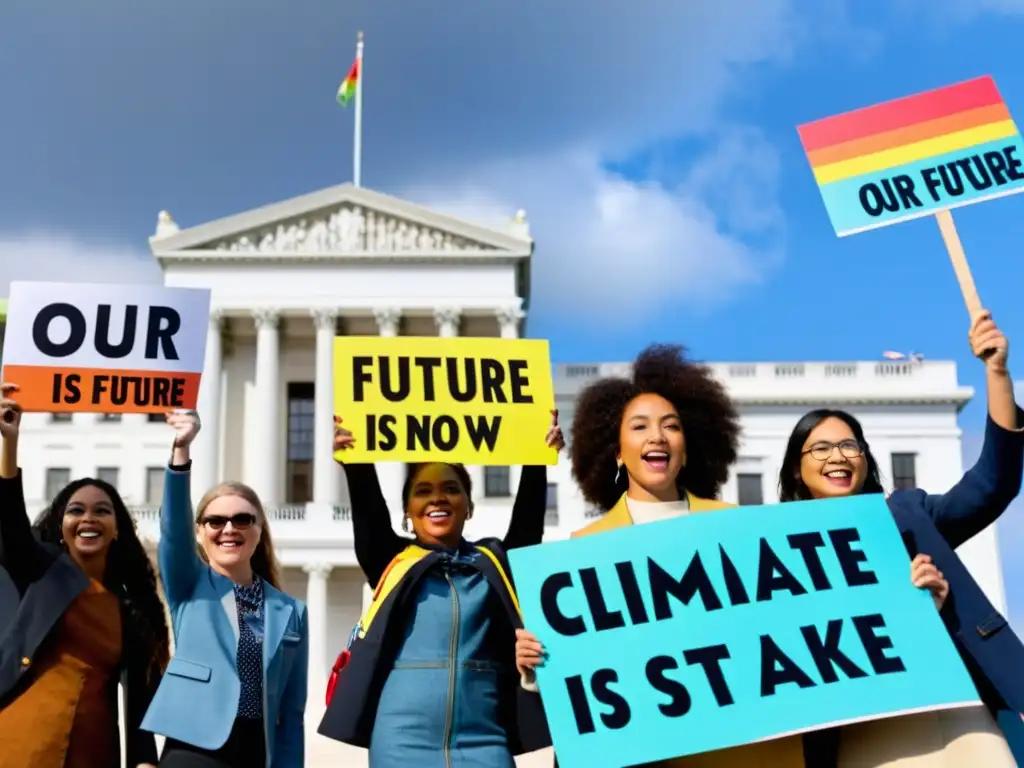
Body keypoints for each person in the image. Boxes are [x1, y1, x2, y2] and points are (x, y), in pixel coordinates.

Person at [513, 346, 950, 768]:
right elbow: (592, 680)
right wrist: (539, 665)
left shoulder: (743, 528)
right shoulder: (584, 549)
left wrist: (906, 604)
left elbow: (817, 624)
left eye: (671, 425)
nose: (658, 437)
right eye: (640, 427)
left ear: (688, 446)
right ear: (616, 451)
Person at [776, 309, 1024, 767]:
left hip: (957, 714)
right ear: (797, 467)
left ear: (866, 459)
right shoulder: (777, 551)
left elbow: (992, 486)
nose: (839, 456)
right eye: (821, 448)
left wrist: (996, 372)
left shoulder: (908, 514)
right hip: (865, 728)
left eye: (851, 445)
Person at [317, 410, 564, 767]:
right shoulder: (392, 561)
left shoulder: (494, 562)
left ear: (469, 506)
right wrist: (355, 462)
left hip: (486, 739)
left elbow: (527, 523)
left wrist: (537, 458)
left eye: (451, 489)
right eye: (423, 491)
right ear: (408, 510)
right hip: (400, 742)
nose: (438, 498)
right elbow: (369, 512)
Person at [0, 383, 169, 768]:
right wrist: (10, 442)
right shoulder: (40, 574)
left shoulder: (132, 609)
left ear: (117, 529)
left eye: (102, 511)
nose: (88, 518)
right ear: (61, 527)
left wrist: (145, 761)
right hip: (19, 745)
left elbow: (140, 699)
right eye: (76, 510)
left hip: (93, 752)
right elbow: (9, 520)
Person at [140, 411, 308, 768]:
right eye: (216, 520)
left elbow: (292, 713)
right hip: (194, 746)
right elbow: (173, 530)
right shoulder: (189, 585)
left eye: (242, 519)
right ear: (200, 532)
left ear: (259, 530)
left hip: (256, 751)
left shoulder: (291, 611)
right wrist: (181, 452)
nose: (229, 528)